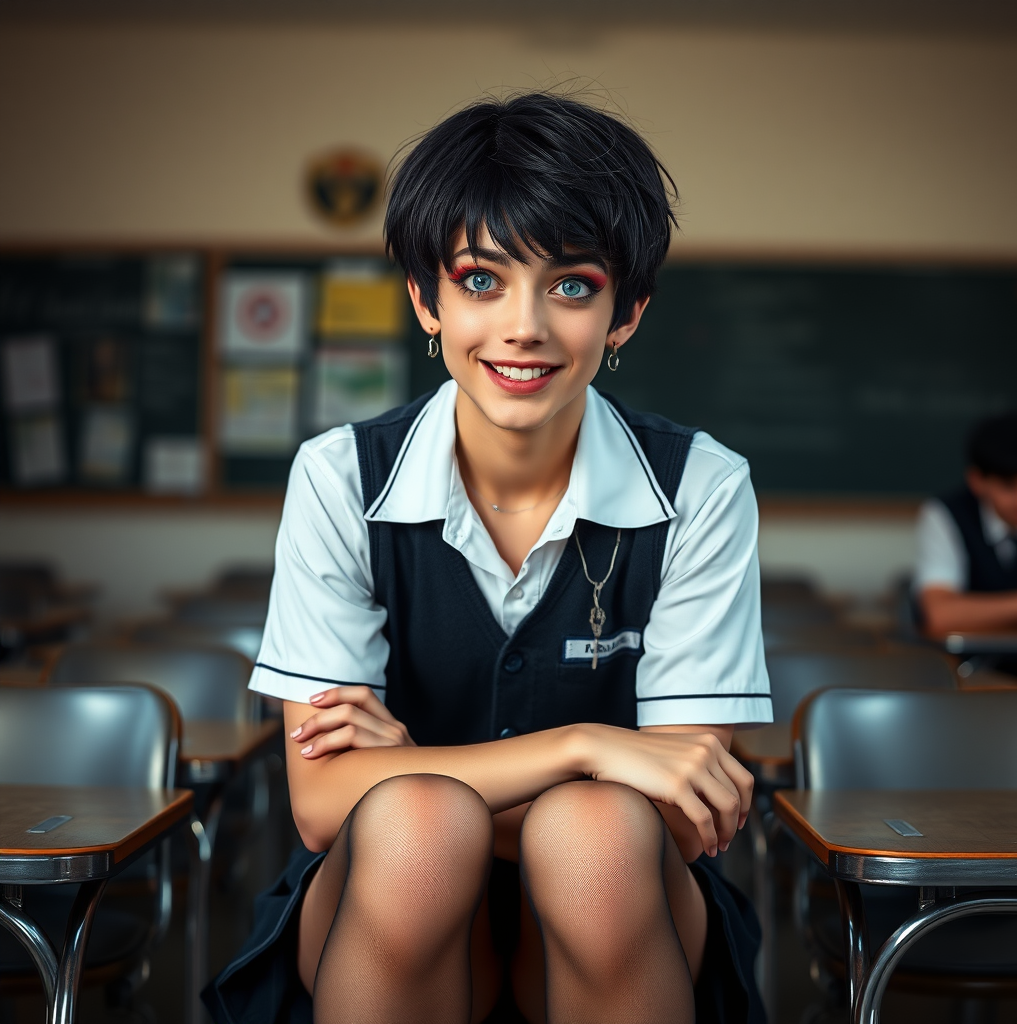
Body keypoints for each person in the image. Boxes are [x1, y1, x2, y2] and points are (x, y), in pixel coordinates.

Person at [204, 91, 772, 1024]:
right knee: (421, 830)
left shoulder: (701, 486)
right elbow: (319, 807)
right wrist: (592, 748)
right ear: (426, 299)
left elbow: (682, 812)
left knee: (585, 837)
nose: (524, 327)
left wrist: (416, 762)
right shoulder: (340, 475)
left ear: (625, 313)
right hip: (392, 887)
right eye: (481, 280)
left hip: (623, 897)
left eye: (573, 286)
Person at [915, 414, 1017, 646]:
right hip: (976, 671)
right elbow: (940, 615)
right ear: (977, 480)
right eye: (1009, 486)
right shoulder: (946, 515)